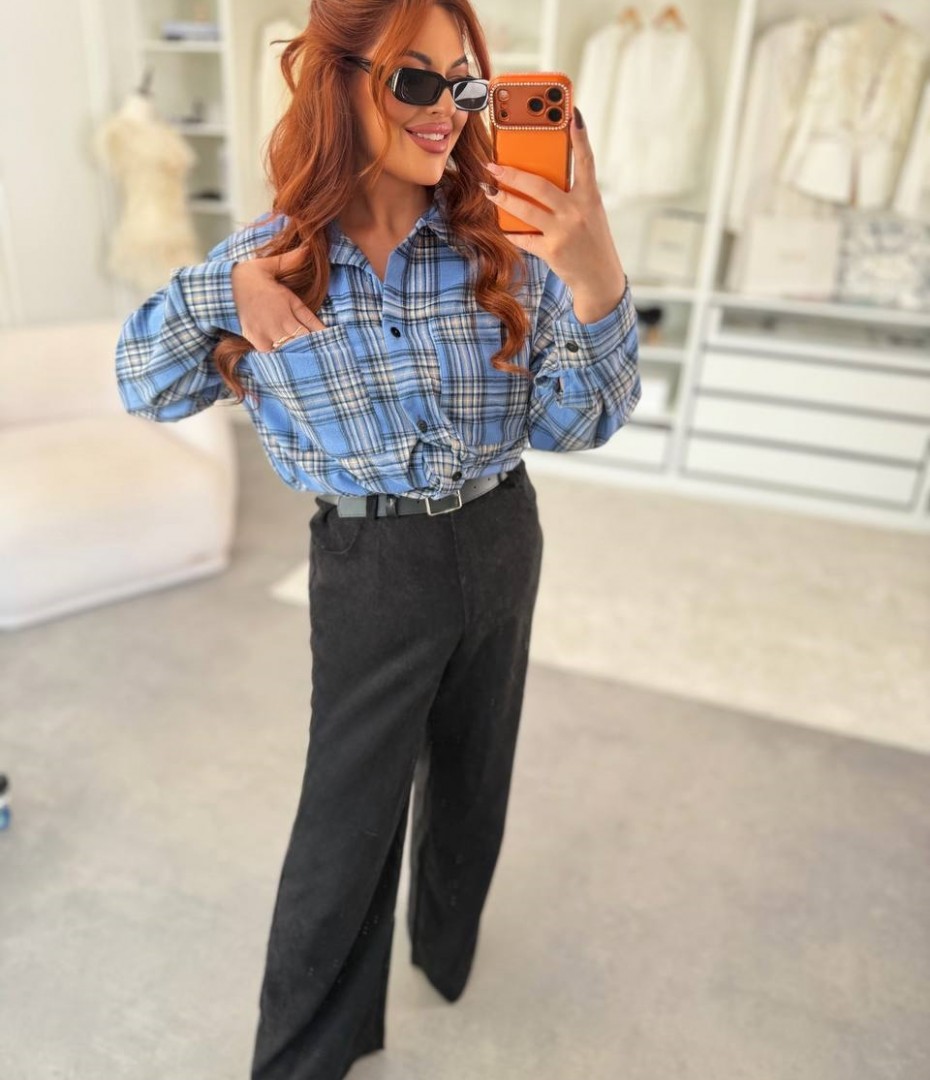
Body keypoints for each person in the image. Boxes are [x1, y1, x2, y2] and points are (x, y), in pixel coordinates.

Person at [114, 1, 640, 1076]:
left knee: (477, 773)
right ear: (336, 81)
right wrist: (220, 291)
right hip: (371, 567)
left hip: (501, 533)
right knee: (344, 825)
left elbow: (577, 423)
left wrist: (597, 276)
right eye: (415, 79)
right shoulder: (268, 261)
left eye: (465, 84)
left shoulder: (512, 245)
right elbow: (143, 386)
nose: (447, 110)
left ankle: (445, 952)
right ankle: (311, 1053)